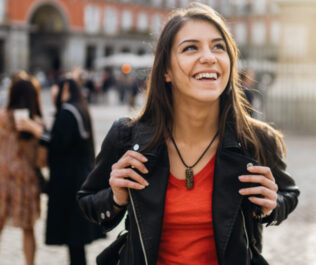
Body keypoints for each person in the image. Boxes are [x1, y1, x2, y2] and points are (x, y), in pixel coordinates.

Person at [77, 3, 299, 265]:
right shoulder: (127, 137)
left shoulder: (257, 139)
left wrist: (271, 206)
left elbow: (288, 193)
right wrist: (115, 198)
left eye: (218, 47)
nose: (209, 57)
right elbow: (87, 201)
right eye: (190, 48)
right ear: (166, 71)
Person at [16, 78, 104, 265]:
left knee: (75, 239)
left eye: (55, 86)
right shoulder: (78, 108)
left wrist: (34, 129)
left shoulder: (67, 111)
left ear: (64, 88)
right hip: (79, 179)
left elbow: (57, 143)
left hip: (70, 184)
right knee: (76, 241)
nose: (53, 91)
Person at [0, 73, 43, 265]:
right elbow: (41, 161)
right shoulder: (37, 124)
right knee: (28, 229)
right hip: (26, 180)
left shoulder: (2, 117)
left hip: (2, 176)